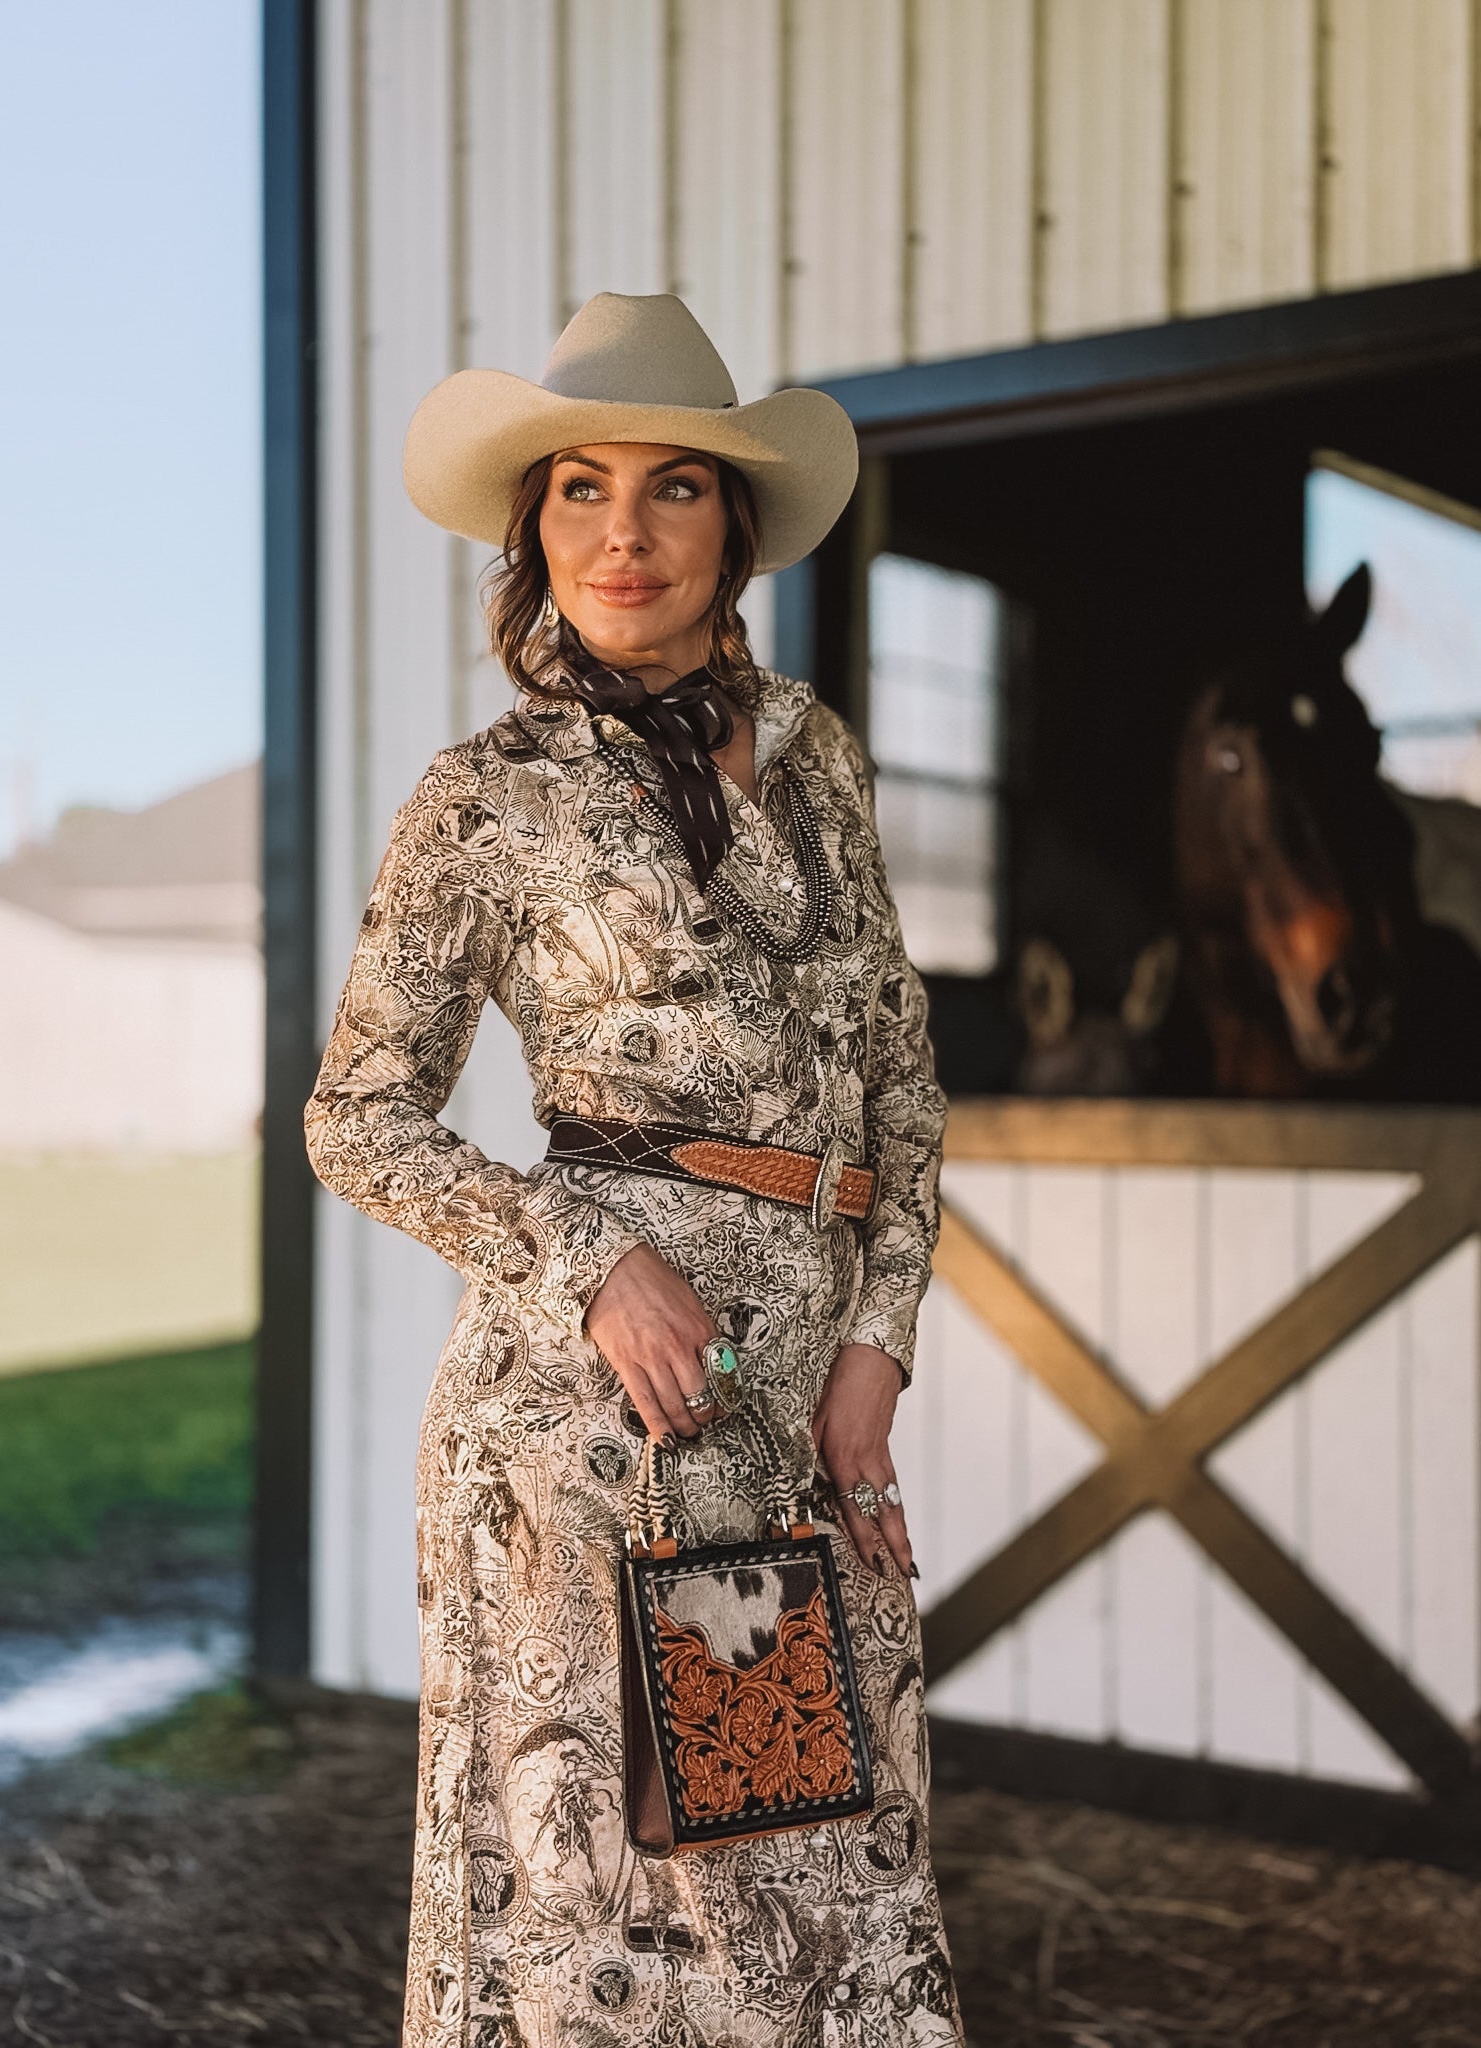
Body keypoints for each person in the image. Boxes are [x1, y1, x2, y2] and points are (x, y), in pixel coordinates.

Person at [306, 290, 963, 2046]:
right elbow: (353, 1114)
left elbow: (897, 1070)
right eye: (579, 487)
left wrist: (877, 1341)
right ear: (532, 524)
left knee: (827, 1890)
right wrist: (583, 1252)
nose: (623, 530)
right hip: (602, 1432)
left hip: (803, 1419)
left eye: (672, 487)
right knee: (631, 1926)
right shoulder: (486, 797)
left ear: (733, 525)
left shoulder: (817, 755)